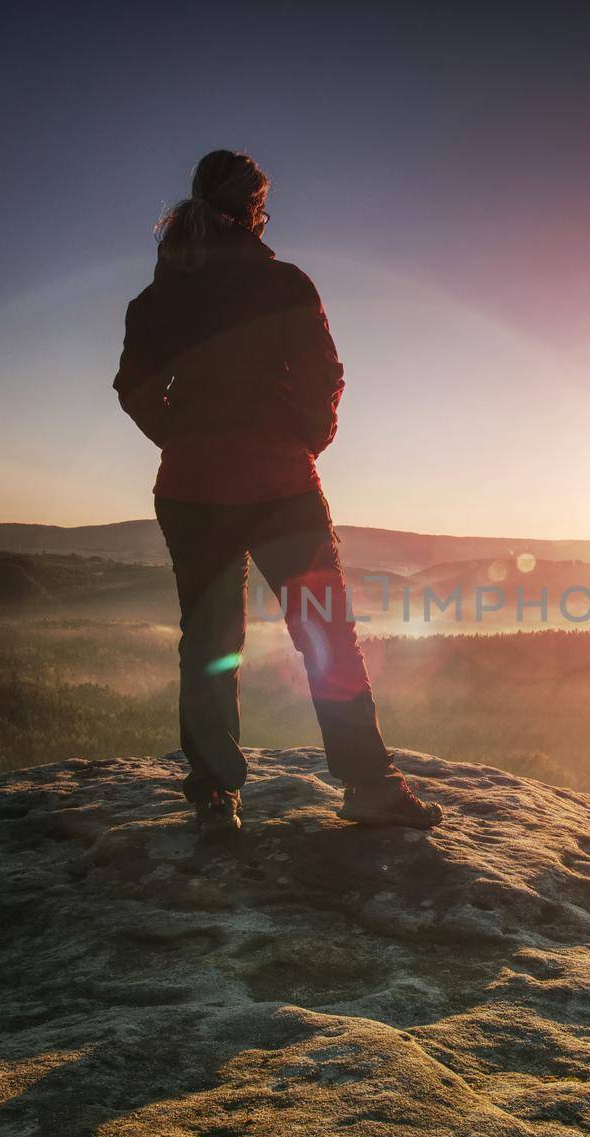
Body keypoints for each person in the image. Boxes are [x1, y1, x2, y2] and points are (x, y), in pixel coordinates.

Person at [113, 149, 441, 837]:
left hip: (192, 488)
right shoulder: (284, 284)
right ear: (257, 209)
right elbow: (325, 374)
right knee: (325, 633)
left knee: (207, 640)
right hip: (280, 485)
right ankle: (368, 784)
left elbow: (134, 388)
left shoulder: (158, 296)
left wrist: (182, 437)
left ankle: (212, 797)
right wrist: (303, 441)